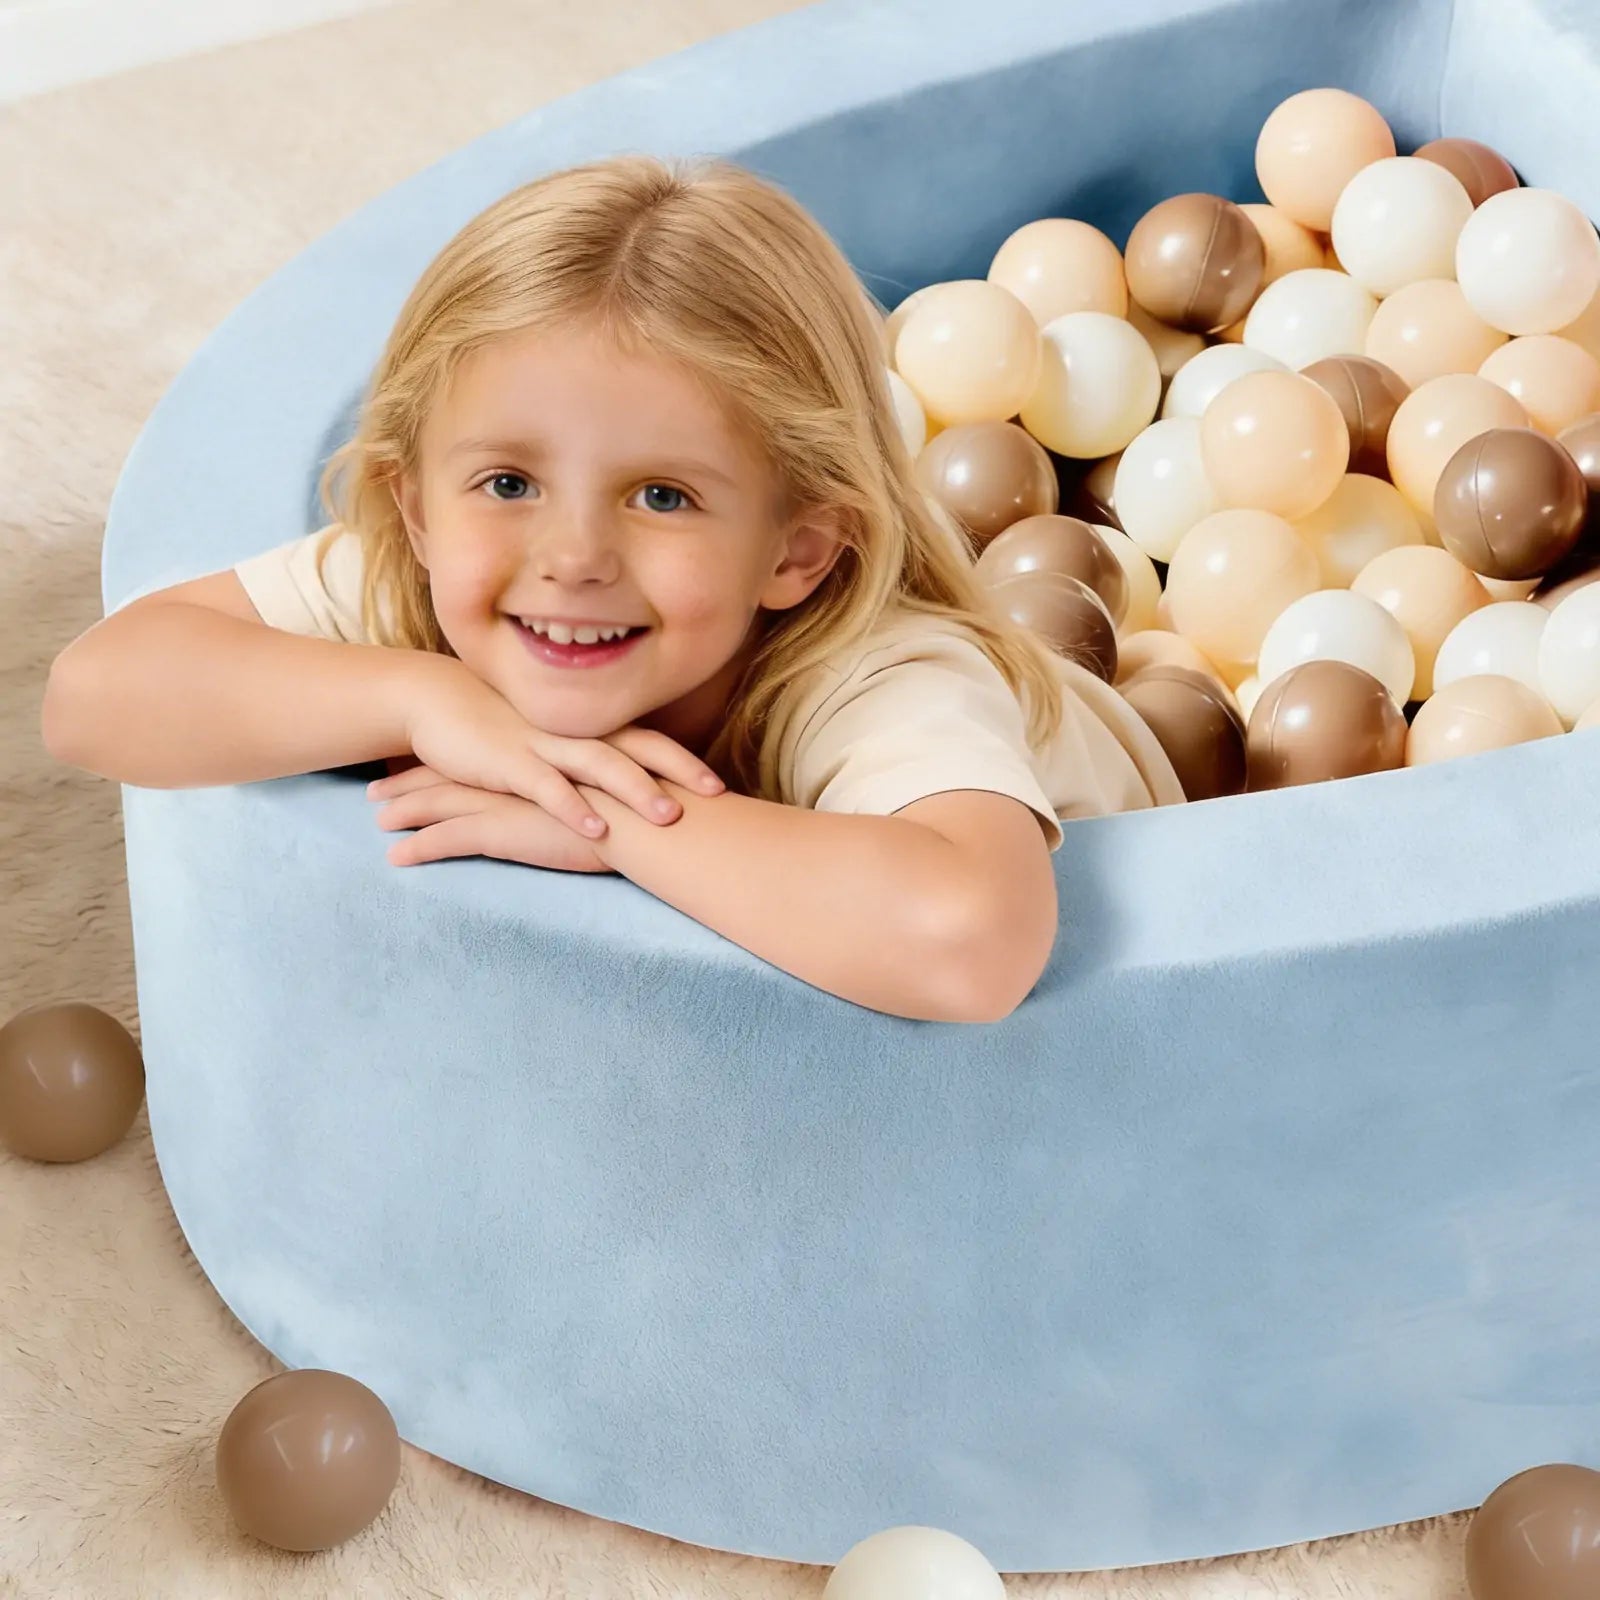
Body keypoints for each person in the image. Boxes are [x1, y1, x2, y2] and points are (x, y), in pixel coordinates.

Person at [41, 154, 1183, 1025]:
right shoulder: (427, 575)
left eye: (662, 497)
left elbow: (968, 942)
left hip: (1167, 791)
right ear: (412, 507)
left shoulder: (876, 670)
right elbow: (92, 697)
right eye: (506, 481)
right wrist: (426, 702)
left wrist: (619, 826)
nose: (571, 554)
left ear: (797, 550)